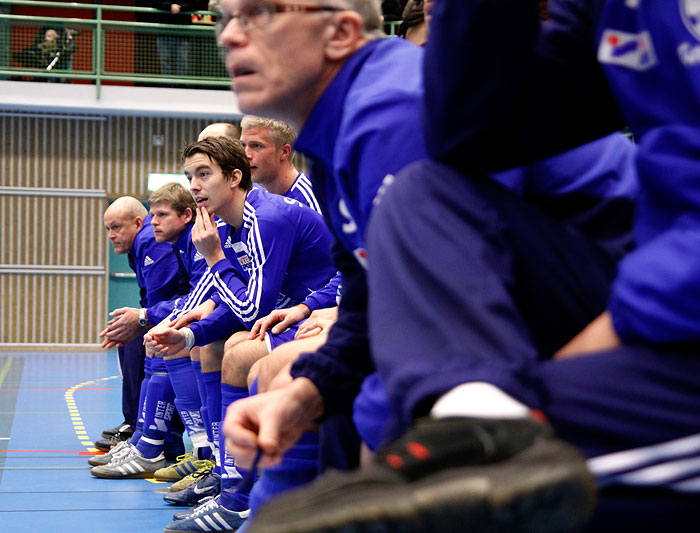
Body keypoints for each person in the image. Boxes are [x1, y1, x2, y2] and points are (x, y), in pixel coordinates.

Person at [226, 1, 700, 532]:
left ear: (340, 32)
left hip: (641, 310)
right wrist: (307, 393)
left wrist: (403, 441)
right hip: (616, 301)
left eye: (259, 15)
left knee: (422, 472)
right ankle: (475, 425)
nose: (230, 37)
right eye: (225, 18)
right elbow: (375, 295)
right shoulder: (341, 134)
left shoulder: (392, 109)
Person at [145, 136, 336, 531]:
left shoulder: (266, 219)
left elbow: (253, 309)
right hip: (289, 313)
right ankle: (224, 477)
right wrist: (189, 336)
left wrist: (214, 257)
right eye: (189, 176)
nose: (194, 185)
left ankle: (238, 499)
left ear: (234, 178)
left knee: (238, 351)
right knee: (208, 349)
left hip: (325, 309)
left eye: (203, 174)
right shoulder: (231, 227)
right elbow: (232, 303)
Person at [98, 196, 188, 452]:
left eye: (116, 227)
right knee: (129, 334)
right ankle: (137, 424)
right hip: (173, 309)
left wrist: (141, 320)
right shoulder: (136, 246)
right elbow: (148, 296)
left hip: (185, 314)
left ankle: (152, 431)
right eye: (108, 229)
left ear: (138, 222)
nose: (111, 236)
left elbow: (164, 295)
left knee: (141, 336)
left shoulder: (149, 239)